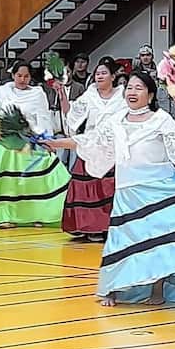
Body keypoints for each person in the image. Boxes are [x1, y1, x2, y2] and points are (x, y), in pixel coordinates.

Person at [46, 72, 175, 306]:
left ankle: (157, 291)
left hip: (158, 189)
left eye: (138, 88)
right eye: (129, 88)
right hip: (127, 190)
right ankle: (113, 288)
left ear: (151, 94)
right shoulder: (116, 120)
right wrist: (58, 142)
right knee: (122, 240)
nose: (132, 92)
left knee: (158, 242)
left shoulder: (161, 119)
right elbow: (91, 140)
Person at [0, 60, 71, 229]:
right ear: (13, 75)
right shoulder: (3, 91)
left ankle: (40, 214)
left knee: (36, 181)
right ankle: (6, 215)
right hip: (8, 143)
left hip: (32, 141)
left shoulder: (38, 94)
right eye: (19, 76)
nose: (22, 79)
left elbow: (43, 117)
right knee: (9, 183)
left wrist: (47, 139)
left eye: (26, 76)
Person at [56, 59, 128, 241]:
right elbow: (71, 114)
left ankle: (105, 226)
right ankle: (84, 225)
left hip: (113, 148)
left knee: (109, 187)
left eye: (104, 73)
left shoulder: (123, 96)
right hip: (91, 145)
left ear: (113, 76)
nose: (100, 76)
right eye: (97, 73)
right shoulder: (89, 96)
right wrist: (61, 95)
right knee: (84, 186)